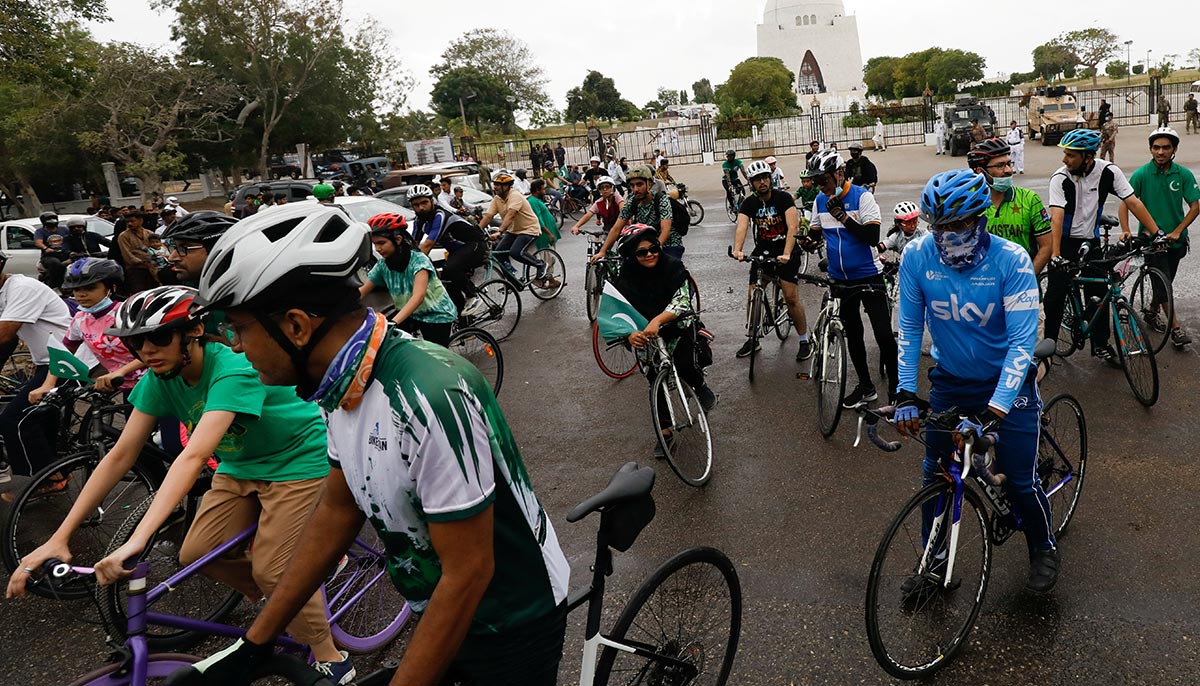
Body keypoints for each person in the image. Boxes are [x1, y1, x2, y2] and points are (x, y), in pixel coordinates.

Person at [181, 203, 570, 685]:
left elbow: (468, 572)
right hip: (441, 605)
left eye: (240, 329)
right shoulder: (336, 380)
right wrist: (254, 642)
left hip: (509, 617)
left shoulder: (427, 394)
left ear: (297, 326)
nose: (234, 346)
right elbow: (338, 509)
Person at [7, 284, 353, 683]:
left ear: (193, 332)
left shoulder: (233, 369)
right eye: (136, 343)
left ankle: (332, 656)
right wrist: (60, 536)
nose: (147, 350)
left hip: (297, 461)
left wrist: (136, 541)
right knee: (197, 553)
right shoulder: (160, 377)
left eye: (158, 337)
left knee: (275, 571)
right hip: (240, 464)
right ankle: (286, 602)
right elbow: (120, 455)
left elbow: (191, 457)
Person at [893, 168, 1060, 595]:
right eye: (940, 226)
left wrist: (996, 410)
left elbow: (1023, 341)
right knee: (935, 474)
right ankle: (934, 563)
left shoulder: (1011, 259)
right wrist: (906, 391)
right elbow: (910, 330)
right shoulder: (916, 257)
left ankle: (1043, 546)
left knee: (1021, 480)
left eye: (959, 225)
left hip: (1008, 383)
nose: (948, 235)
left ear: (981, 218)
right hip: (951, 380)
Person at [1043, 128, 1163, 366]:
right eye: (1065, 154)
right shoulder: (1060, 177)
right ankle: (1048, 347)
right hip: (1064, 243)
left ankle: (1101, 345)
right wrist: (1055, 255)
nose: (1064, 159)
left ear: (1088, 156)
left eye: (1071, 155)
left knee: (1099, 296)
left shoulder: (1108, 171)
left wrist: (1157, 233)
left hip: (1090, 241)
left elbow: (1133, 202)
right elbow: (1055, 217)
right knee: (1054, 297)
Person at [613, 225, 718, 453]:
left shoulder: (673, 267)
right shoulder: (623, 279)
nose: (650, 254)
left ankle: (699, 386)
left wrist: (659, 320)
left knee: (685, 364)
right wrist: (629, 334)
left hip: (676, 326)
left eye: (654, 248)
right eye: (642, 252)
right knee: (654, 381)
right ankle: (665, 432)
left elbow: (682, 301)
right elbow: (616, 313)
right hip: (645, 336)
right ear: (632, 256)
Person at [806, 149, 898, 406]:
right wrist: (806, 242)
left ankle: (896, 391)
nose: (820, 187)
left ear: (839, 174)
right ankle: (866, 387)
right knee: (854, 335)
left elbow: (871, 237)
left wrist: (843, 217)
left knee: (883, 336)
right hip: (840, 280)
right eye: (816, 181)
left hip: (868, 275)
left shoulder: (863, 198)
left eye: (823, 180)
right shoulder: (819, 201)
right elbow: (815, 235)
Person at [1119, 127, 1200, 347]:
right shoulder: (1141, 175)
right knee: (1164, 285)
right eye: (1156, 147)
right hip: (1151, 243)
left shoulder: (1182, 174)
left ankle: (1152, 311)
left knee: (1165, 283)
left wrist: (1177, 231)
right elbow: (1125, 204)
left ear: (1174, 149)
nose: (1161, 152)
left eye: (1166, 147)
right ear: (1150, 149)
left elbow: (1195, 206)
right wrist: (1125, 229)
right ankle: (1176, 330)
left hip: (1177, 242)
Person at [27, 258, 143, 407]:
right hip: (122, 385)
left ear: (111, 288)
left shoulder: (127, 312)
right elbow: (63, 354)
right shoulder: (80, 319)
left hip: (152, 382)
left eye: (90, 288)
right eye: (76, 289)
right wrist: (47, 384)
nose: (81, 294)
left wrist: (121, 371)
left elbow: (156, 352)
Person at [0, 254, 71, 482]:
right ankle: (52, 465)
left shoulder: (22, 288)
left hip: (65, 363)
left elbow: (6, 332)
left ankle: (52, 478)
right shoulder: (4, 292)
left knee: (14, 419)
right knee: (39, 417)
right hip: (47, 362)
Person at [732, 160, 811, 362]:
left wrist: (786, 254)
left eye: (765, 178)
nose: (762, 182)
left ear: (770, 178)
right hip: (764, 249)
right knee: (752, 293)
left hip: (787, 247)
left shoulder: (783, 198)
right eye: (757, 180)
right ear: (751, 183)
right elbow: (741, 226)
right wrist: (738, 250)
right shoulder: (749, 203)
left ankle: (804, 340)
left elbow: (792, 227)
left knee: (791, 297)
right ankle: (752, 337)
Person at [360, 213, 458, 346]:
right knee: (384, 343)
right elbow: (362, 291)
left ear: (398, 239)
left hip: (435, 314)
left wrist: (393, 323)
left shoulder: (418, 260)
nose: (377, 249)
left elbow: (418, 296)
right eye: (375, 244)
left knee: (436, 357)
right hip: (411, 313)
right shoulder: (383, 265)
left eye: (381, 243)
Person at [968, 138, 1053, 274]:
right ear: (980, 172)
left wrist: (1027, 279)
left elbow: (1046, 246)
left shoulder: (1030, 199)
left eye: (1009, 163)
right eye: (1000, 165)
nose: (1008, 170)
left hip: (1023, 288)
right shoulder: (969, 204)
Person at [407, 184, 489, 316]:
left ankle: (473, 295)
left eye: (424, 202)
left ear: (432, 201)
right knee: (450, 286)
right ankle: (465, 325)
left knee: (450, 268)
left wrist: (411, 268)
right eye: (416, 205)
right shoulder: (419, 219)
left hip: (475, 245)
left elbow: (427, 245)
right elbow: (413, 244)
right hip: (458, 250)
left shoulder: (441, 215)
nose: (421, 208)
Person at [480, 170, 557, 288]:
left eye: (497, 185)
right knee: (499, 254)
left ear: (506, 186)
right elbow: (489, 216)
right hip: (514, 230)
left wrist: (499, 231)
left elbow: (511, 215)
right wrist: (476, 230)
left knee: (516, 252)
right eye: (494, 185)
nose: (494, 187)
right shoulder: (497, 199)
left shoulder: (515, 196)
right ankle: (513, 280)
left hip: (529, 229)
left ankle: (540, 264)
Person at [596, 165, 680, 260]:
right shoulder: (632, 202)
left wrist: (654, 249)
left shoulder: (662, 200)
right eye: (632, 186)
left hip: (669, 244)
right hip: (645, 244)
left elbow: (666, 230)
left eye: (639, 184)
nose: (635, 189)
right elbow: (616, 229)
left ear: (649, 184)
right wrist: (602, 252)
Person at [117, 211, 160, 293]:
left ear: (141, 221)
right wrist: (142, 262)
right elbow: (127, 256)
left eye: (132, 221)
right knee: (140, 293)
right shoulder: (123, 236)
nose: (129, 224)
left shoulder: (149, 233)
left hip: (152, 267)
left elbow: (158, 248)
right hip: (136, 269)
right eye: (128, 222)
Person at [34, 211, 70, 288]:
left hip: (65, 253)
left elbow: (71, 238)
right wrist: (46, 248)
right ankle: (55, 286)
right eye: (49, 219)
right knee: (55, 263)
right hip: (49, 256)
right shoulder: (40, 231)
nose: (52, 221)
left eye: (54, 219)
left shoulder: (64, 229)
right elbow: (38, 242)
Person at [527, 179, 561, 251]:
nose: (544, 191)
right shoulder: (533, 201)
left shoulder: (537, 200)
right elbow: (538, 220)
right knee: (548, 260)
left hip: (548, 235)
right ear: (537, 190)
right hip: (544, 236)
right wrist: (549, 234)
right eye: (543, 189)